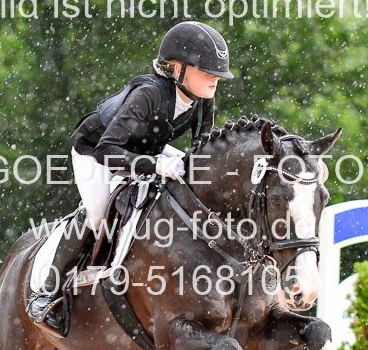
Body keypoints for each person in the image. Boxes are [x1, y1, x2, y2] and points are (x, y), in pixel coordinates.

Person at [27, 21, 234, 332]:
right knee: (98, 215)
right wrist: (156, 166)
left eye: (216, 73)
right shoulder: (149, 94)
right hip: (97, 151)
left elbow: (200, 154)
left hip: (147, 149)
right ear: (177, 68)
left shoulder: (203, 99)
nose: (215, 78)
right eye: (206, 70)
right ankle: (46, 292)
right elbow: (106, 150)